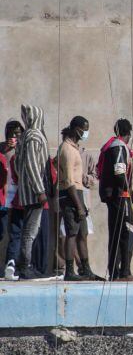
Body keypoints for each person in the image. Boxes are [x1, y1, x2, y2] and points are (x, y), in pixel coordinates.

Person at [57, 116, 98, 281]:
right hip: (70, 194)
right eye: (84, 129)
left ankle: (86, 269)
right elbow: (68, 180)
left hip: (79, 193)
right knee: (72, 233)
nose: (85, 133)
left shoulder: (75, 148)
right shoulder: (66, 149)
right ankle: (69, 271)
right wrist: (78, 205)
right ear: (75, 128)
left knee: (83, 232)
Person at [98, 118, 133, 281]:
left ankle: (115, 271)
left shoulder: (111, 145)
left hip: (114, 196)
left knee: (117, 233)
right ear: (128, 133)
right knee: (127, 233)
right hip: (120, 196)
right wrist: (128, 189)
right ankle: (123, 272)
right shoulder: (119, 147)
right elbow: (119, 172)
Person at [14, 105, 50, 280]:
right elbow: (32, 164)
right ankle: (25, 266)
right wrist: (39, 189)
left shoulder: (25, 136)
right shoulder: (34, 136)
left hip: (28, 191)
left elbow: (17, 165)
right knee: (30, 231)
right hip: (34, 193)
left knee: (31, 229)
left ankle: (27, 265)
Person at [1, 119, 23, 280]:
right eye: (12, 133)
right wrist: (6, 148)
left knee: (16, 231)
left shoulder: (23, 149)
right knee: (1, 232)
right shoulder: (2, 148)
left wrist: (19, 149)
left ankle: (11, 263)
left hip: (17, 196)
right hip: (2, 197)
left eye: (18, 133)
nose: (15, 136)